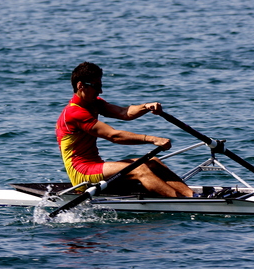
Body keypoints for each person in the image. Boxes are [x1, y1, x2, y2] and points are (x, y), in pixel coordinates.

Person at [56, 62, 193, 198]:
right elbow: (114, 136)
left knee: (154, 163)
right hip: (82, 173)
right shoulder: (74, 113)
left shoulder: (94, 103)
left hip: (96, 166)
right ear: (80, 86)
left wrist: (146, 106)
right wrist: (153, 139)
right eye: (96, 86)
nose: (100, 91)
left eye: (100, 85)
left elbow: (124, 112)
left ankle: (192, 196)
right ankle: (184, 202)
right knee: (141, 169)